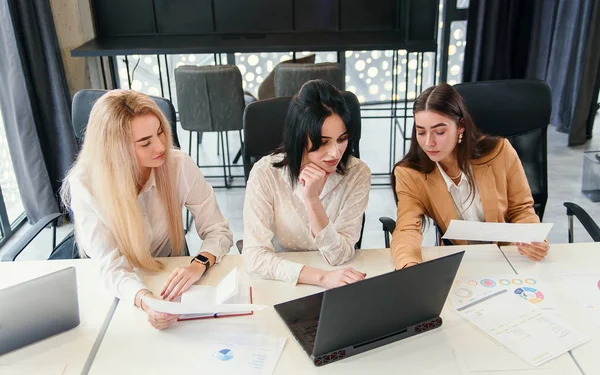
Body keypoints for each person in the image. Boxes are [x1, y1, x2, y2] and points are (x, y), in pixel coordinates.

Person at [61, 90, 233, 329]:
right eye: (145, 142)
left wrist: (198, 264)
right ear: (116, 149)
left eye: (160, 132)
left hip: (169, 276)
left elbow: (218, 231)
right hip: (122, 290)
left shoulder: (179, 165)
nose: (160, 146)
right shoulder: (85, 183)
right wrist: (145, 300)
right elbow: (111, 266)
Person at [391, 83, 549, 269]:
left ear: (460, 127)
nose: (428, 143)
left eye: (439, 132)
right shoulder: (410, 173)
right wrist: (409, 263)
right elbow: (407, 227)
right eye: (421, 132)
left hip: (507, 257)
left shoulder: (500, 152)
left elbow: (521, 209)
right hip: (460, 260)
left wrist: (532, 239)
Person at [243, 80, 371, 288]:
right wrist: (321, 278)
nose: (335, 153)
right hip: (283, 278)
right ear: (299, 138)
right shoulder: (265, 173)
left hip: (337, 275)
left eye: (342, 139)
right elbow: (254, 256)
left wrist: (312, 201)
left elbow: (339, 255)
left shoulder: (357, 173)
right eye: (323, 142)